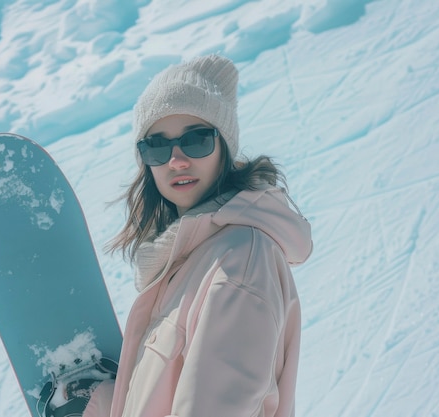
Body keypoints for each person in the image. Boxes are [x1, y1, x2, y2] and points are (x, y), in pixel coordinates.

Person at [84, 54, 313, 417]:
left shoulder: (238, 260)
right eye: (157, 146)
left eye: (196, 140)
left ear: (224, 146)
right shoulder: (194, 259)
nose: (176, 160)